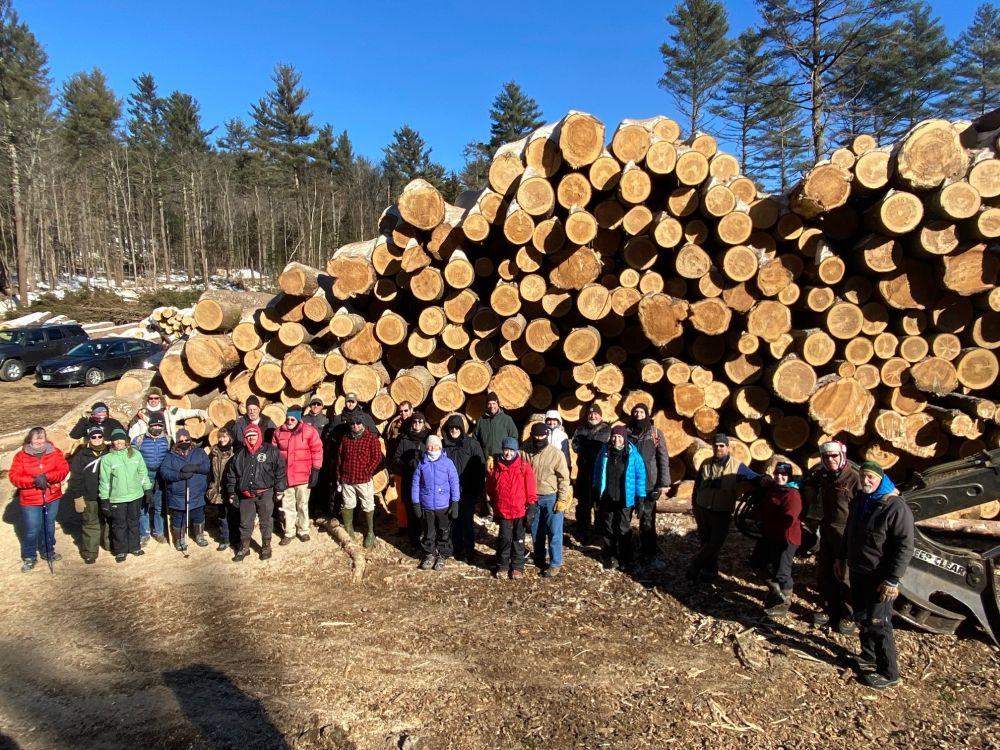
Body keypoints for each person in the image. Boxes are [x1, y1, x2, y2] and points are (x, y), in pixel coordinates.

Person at [836, 461, 914, 689]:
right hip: (860, 570)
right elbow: (849, 531)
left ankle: (889, 672)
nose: (865, 480)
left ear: (881, 479)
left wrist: (892, 579)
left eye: (871, 477)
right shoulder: (862, 499)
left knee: (879, 622)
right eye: (863, 476)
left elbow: (905, 546)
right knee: (862, 615)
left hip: (881, 576)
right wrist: (841, 558)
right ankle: (868, 656)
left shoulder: (895, 506)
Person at [687, 433, 765, 583]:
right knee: (706, 541)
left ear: (728, 448)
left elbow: (753, 477)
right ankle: (710, 571)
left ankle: (695, 564)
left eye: (721, 446)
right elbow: (697, 487)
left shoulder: (737, 466)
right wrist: (695, 505)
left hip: (722, 512)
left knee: (715, 542)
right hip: (702, 509)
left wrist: (764, 479)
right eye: (715, 446)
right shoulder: (706, 463)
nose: (718, 448)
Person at [803, 440, 861, 633]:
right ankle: (829, 608)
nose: (830, 460)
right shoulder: (824, 474)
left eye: (834, 456)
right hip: (827, 529)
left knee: (845, 574)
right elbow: (809, 482)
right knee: (825, 571)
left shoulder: (854, 477)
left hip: (847, 532)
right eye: (826, 457)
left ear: (842, 455)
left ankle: (849, 615)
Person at [224, 423, 288, 562]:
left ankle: (266, 546)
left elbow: (280, 471)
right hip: (246, 496)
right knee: (245, 522)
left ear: (258, 435)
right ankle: (244, 547)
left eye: (254, 435)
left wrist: (280, 489)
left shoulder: (270, 451)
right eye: (248, 436)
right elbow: (231, 475)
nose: (251, 438)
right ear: (245, 438)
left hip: (265, 492)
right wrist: (231, 493)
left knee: (266, 521)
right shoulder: (239, 455)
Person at [9, 427, 70, 572]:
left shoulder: (54, 452)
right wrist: (33, 481)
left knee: (48, 526)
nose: (38, 442)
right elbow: (14, 477)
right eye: (35, 439)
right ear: (30, 440)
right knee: (32, 528)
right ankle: (29, 556)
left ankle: (48, 551)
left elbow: (63, 469)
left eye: (41, 438)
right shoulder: (21, 456)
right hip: (31, 499)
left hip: (52, 496)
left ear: (45, 439)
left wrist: (48, 477)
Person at [750, 462, 802, 617]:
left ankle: (783, 604)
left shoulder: (792, 494)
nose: (780, 476)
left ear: (789, 476)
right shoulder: (773, 488)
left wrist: (778, 533)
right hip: (769, 534)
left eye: (784, 474)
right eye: (777, 473)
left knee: (782, 572)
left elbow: (789, 518)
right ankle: (775, 591)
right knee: (756, 562)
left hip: (786, 537)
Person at [592, 425, 646, 570]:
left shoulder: (633, 455)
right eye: (614, 437)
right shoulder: (604, 452)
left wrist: (640, 499)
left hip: (625, 499)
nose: (616, 440)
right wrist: (596, 492)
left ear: (624, 438)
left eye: (620, 437)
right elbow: (597, 473)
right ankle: (609, 555)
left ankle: (626, 558)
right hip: (608, 498)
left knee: (623, 529)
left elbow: (640, 478)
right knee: (608, 528)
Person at [522, 421, 572, 577]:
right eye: (536, 435)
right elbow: (513, 460)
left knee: (554, 531)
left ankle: (555, 562)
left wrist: (563, 498)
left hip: (551, 496)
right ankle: (539, 558)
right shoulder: (526, 451)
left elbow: (564, 478)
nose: (539, 438)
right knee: (536, 530)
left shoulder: (556, 453)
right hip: (533, 498)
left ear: (547, 435)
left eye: (542, 435)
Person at [99, 427, 153, 563]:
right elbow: (104, 481)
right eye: (116, 440)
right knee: (119, 524)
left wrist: (147, 489)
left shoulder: (135, 454)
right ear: (112, 442)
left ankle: (134, 546)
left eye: (121, 439)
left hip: (135, 495)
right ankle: (120, 550)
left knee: (134, 522)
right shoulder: (107, 459)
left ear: (126, 441)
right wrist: (104, 500)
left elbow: (142, 473)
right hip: (118, 497)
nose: (118, 442)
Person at [486, 437, 537, 580]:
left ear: (516, 451)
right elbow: (490, 488)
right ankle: (502, 566)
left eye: (511, 450)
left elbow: (531, 487)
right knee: (504, 539)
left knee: (518, 540)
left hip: (520, 511)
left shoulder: (523, 467)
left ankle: (517, 567)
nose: (508, 453)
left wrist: (531, 505)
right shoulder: (496, 467)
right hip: (503, 511)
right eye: (506, 450)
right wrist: (494, 504)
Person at [271, 407, 323, 545]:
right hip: (285, 476)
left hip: (303, 475)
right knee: (287, 505)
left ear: (298, 419)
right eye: (287, 419)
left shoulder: (309, 431)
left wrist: (316, 469)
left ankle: (303, 530)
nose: (289, 421)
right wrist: (276, 472)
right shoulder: (278, 432)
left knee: (302, 504)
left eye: (292, 419)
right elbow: (274, 454)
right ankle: (289, 532)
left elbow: (317, 450)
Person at [334, 413, 384, 549]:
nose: (355, 426)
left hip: (363, 479)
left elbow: (377, 457)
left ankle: (370, 532)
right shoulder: (346, 438)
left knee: (368, 505)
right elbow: (340, 458)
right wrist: (339, 476)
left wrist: (368, 470)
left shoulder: (371, 439)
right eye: (353, 424)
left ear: (363, 424)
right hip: (347, 478)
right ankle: (349, 530)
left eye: (358, 423)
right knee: (348, 504)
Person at [411, 434, 460, 571]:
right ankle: (429, 554)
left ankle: (443, 554)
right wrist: (416, 503)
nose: (432, 448)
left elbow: (454, 483)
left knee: (444, 531)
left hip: (443, 505)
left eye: (435, 445)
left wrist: (455, 502)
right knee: (428, 532)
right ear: (426, 448)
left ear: (440, 447)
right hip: (426, 505)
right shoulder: (422, 464)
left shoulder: (447, 463)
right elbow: (415, 485)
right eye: (429, 446)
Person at [628, 404, 670, 563]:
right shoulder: (627, 432)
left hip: (649, 483)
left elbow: (663, 458)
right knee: (625, 517)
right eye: (636, 412)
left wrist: (664, 482)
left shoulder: (655, 433)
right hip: (630, 482)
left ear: (647, 414)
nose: (638, 414)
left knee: (647, 519)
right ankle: (626, 547)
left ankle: (648, 549)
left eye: (641, 412)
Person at [159, 428, 212, 551]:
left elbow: (207, 466)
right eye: (181, 440)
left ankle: (199, 535)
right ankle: (180, 539)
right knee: (179, 517)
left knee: (198, 514)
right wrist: (179, 475)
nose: (184, 441)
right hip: (178, 495)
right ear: (176, 442)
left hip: (197, 492)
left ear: (190, 439)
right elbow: (164, 472)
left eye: (186, 439)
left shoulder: (199, 452)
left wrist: (195, 467)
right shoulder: (170, 456)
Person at [442, 415, 486, 562]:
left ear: (461, 428)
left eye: (456, 427)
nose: (454, 430)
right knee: (453, 520)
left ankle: (469, 549)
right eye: (451, 428)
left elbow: (480, 467)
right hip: (449, 491)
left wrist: (478, 489)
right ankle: (456, 547)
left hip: (468, 489)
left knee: (467, 520)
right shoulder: (443, 446)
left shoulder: (472, 444)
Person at [65, 426, 111, 563]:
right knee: (90, 523)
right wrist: (78, 496)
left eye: (99, 436)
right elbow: (76, 478)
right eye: (93, 437)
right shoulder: (82, 456)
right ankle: (91, 551)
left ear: (103, 437)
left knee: (109, 521)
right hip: (89, 496)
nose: (97, 439)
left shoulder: (110, 452)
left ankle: (109, 544)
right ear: (89, 439)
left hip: (108, 495)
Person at [571, 405, 610, 541]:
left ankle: (600, 529)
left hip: (599, 471)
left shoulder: (606, 430)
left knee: (599, 501)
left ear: (601, 416)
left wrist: (588, 447)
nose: (593, 416)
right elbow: (575, 445)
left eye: (596, 414)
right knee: (583, 501)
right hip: (583, 470)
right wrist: (585, 447)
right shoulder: (581, 429)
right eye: (591, 414)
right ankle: (583, 527)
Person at [391, 411, 431, 547]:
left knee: (425, 510)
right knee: (411, 509)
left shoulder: (429, 438)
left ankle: (427, 538)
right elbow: (396, 458)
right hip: (409, 479)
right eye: (415, 422)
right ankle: (414, 541)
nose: (417, 424)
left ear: (423, 423)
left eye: (420, 422)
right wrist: (407, 464)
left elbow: (436, 455)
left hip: (426, 481)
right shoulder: (404, 439)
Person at [132, 411, 170, 546]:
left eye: (160, 426)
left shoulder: (168, 439)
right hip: (145, 475)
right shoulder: (139, 440)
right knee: (144, 504)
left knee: (160, 505)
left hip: (161, 475)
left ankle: (158, 531)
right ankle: (144, 532)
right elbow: (132, 457)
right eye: (154, 425)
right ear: (149, 425)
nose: (157, 428)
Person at [128, 386, 207, 442]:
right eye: (151, 398)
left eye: (156, 398)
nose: (153, 400)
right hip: (148, 447)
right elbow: (133, 434)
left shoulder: (168, 410)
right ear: (147, 399)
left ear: (160, 399)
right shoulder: (141, 414)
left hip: (167, 444)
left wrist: (198, 412)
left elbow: (184, 413)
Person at [206, 427, 238, 552]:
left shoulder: (235, 451)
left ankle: (235, 539)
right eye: (220, 437)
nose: (222, 439)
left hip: (231, 488)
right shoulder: (214, 452)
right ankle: (224, 539)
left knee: (234, 514)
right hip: (218, 488)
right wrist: (210, 486)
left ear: (229, 437)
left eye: (224, 437)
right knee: (222, 515)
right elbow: (209, 470)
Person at [385, 401, 414, 532]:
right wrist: (391, 465)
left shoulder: (419, 423)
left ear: (412, 410)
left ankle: (416, 526)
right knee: (401, 498)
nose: (403, 414)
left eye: (406, 410)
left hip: (415, 468)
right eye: (401, 411)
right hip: (399, 469)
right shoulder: (395, 426)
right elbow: (389, 446)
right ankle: (403, 526)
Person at [472, 392, 518, 461]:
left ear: (498, 404)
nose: (492, 406)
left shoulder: (507, 419)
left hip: (502, 458)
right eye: (489, 404)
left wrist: (508, 453)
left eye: (494, 403)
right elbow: (475, 439)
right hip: (485, 458)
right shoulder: (481, 420)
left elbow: (514, 437)